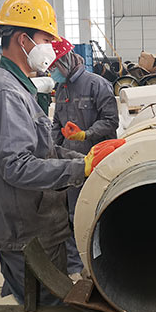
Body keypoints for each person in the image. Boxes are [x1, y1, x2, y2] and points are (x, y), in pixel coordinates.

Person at [0, 0, 125, 312]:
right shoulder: (6, 94)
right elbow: (17, 165)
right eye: (45, 39)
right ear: (22, 39)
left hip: (38, 225)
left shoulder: (20, 88)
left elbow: (44, 149)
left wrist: (87, 158)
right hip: (28, 232)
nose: (49, 48)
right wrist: (79, 168)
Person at [50, 37, 119, 278]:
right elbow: (57, 123)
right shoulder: (61, 89)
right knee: (72, 216)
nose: (52, 72)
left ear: (66, 61)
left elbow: (111, 121)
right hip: (72, 165)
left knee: (97, 214)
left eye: (54, 66)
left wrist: (85, 134)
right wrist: (51, 151)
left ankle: (104, 264)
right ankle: (76, 268)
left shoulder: (97, 84)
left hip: (97, 164)